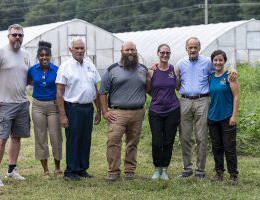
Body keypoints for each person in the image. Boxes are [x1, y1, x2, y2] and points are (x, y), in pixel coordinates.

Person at [176, 37, 236, 180]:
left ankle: (200, 171)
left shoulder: (208, 62)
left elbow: (219, 70)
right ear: (186, 48)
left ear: (199, 48)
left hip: (202, 101)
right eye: (190, 47)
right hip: (184, 101)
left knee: (201, 137)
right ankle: (187, 168)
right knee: (184, 137)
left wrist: (232, 69)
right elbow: (176, 81)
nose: (193, 50)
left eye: (195, 47)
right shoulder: (180, 63)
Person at [0, 24, 31, 188]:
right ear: (8, 36)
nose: (17, 38)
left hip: (22, 103)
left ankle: (12, 170)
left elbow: (27, 78)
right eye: (14, 35)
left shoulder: (26, 55)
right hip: (4, 103)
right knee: (1, 138)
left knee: (16, 138)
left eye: (20, 35)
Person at [99, 41, 147, 181]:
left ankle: (130, 171)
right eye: (127, 50)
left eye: (132, 50)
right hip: (117, 113)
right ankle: (113, 171)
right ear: (122, 51)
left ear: (136, 51)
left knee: (132, 143)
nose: (130, 53)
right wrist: (105, 112)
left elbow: (150, 86)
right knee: (113, 142)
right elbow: (102, 92)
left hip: (138, 112)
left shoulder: (143, 69)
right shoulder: (112, 69)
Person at [56, 38, 101, 180]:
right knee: (73, 139)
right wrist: (62, 115)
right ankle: (70, 171)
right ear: (71, 50)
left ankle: (82, 169)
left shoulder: (90, 66)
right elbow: (59, 92)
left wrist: (98, 110)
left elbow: (95, 89)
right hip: (73, 109)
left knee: (85, 139)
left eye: (82, 48)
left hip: (88, 109)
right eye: (77, 48)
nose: (80, 51)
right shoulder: (65, 67)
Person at [28, 41, 63, 177]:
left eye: (46, 55)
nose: (44, 58)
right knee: (40, 137)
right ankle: (45, 170)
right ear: (38, 57)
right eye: (41, 55)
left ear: (50, 56)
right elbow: (28, 81)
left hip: (53, 106)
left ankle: (57, 167)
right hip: (38, 106)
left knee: (56, 137)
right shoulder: (32, 70)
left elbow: (61, 87)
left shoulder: (57, 69)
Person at [146, 44, 180, 180]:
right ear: (158, 53)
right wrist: (158, 97)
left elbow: (178, 87)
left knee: (168, 141)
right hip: (156, 111)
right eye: (162, 52)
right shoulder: (151, 71)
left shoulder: (174, 70)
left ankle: (165, 169)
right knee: (157, 141)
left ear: (170, 54)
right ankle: (157, 169)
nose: (165, 55)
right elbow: (148, 89)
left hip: (172, 110)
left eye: (167, 53)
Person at [208, 50, 239, 185]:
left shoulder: (230, 76)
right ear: (212, 62)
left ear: (224, 61)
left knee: (229, 147)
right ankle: (219, 172)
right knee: (216, 147)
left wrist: (234, 116)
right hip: (213, 117)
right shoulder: (210, 77)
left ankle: (233, 174)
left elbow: (236, 96)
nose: (218, 62)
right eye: (215, 60)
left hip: (227, 117)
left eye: (220, 60)